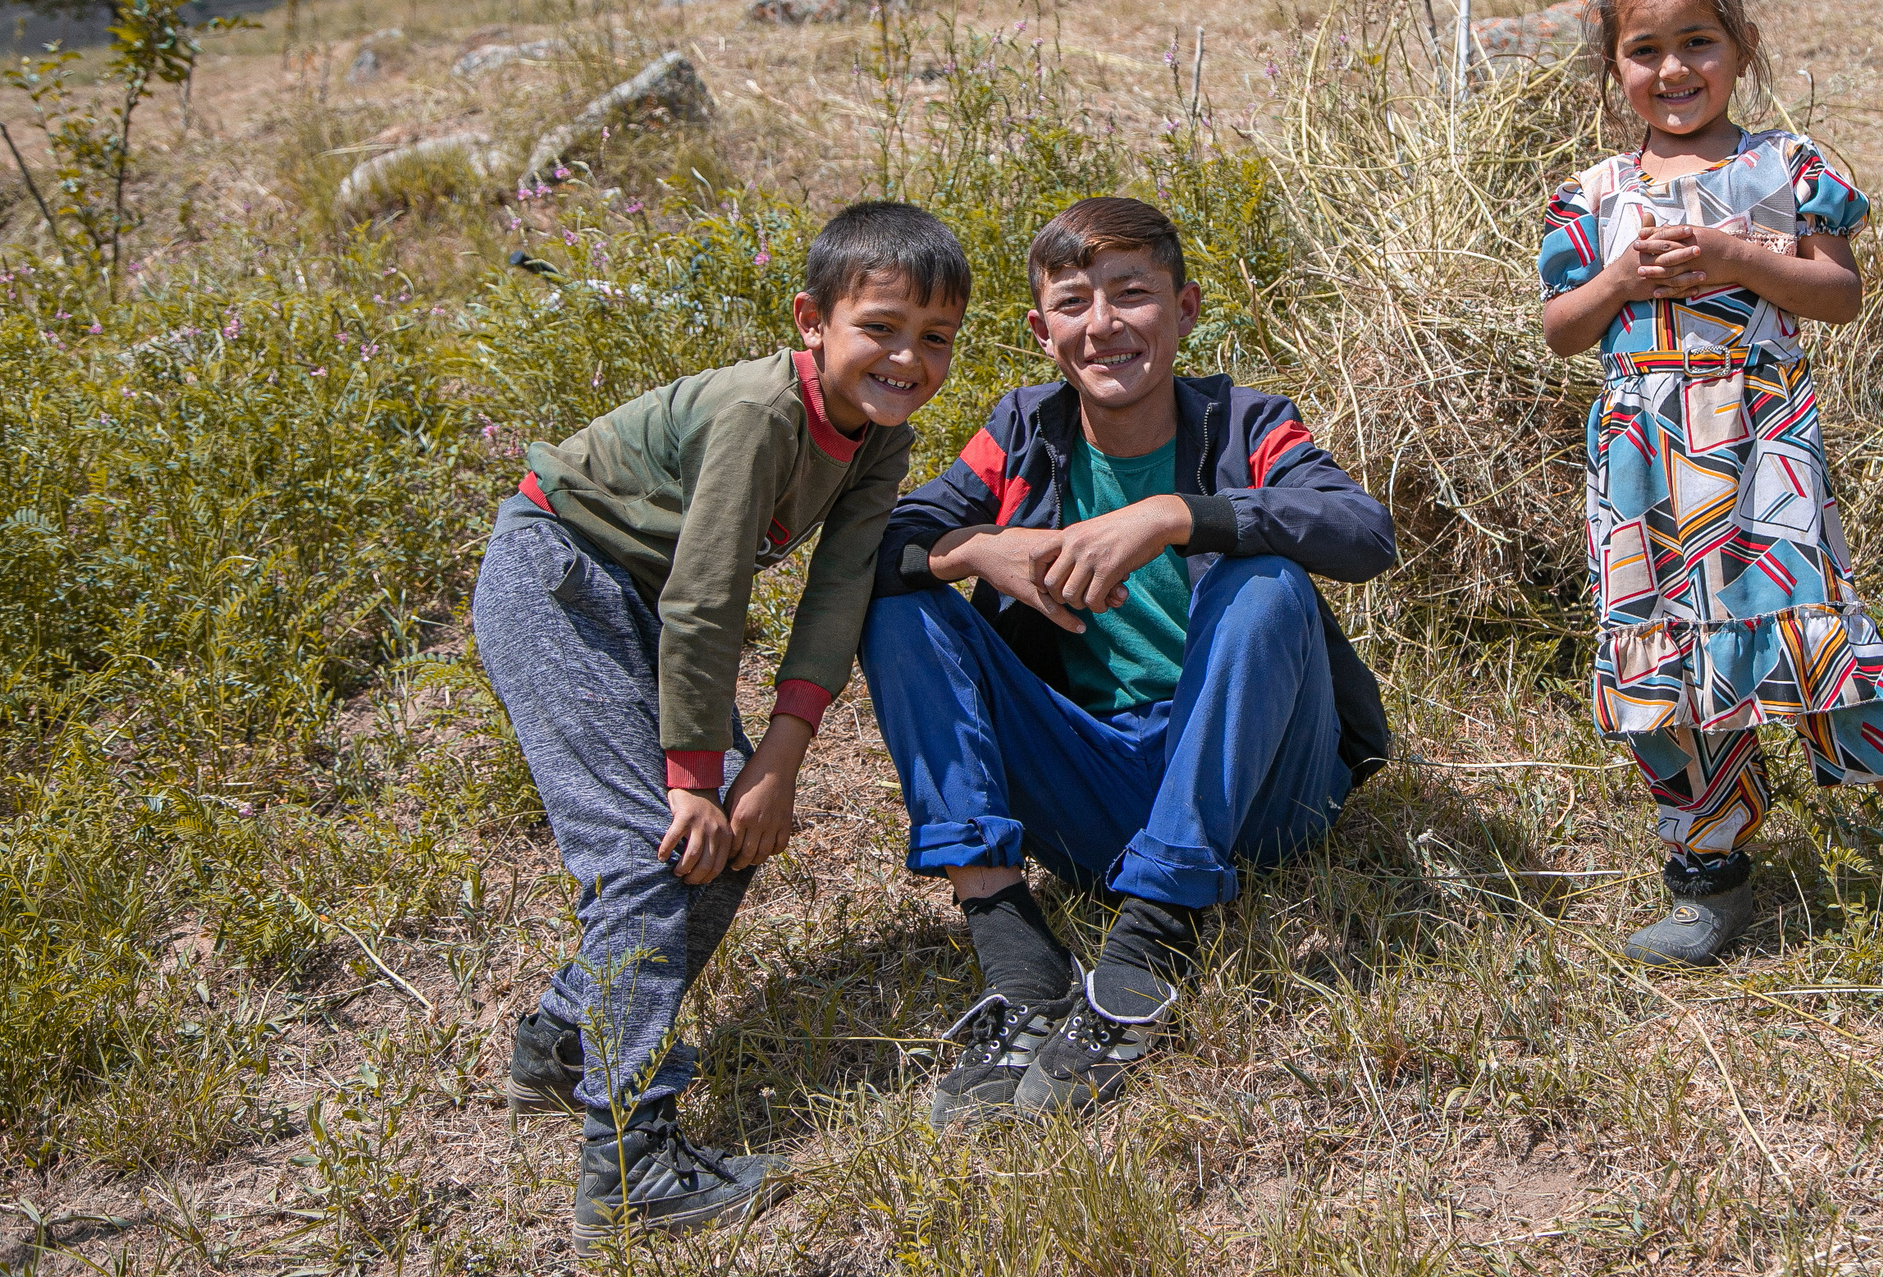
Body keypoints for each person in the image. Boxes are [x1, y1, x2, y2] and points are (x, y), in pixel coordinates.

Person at [472, 202, 968, 1248]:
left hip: (637, 606)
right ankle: (629, 1163)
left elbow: (838, 593)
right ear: (811, 320)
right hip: (561, 577)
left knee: (728, 838)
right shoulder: (760, 411)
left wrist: (775, 763)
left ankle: (567, 1038)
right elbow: (706, 597)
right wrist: (691, 775)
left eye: (935, 338)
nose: (906, 358)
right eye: (880, 326)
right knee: (657, 850)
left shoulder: (880, 439)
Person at [859, 195, 1396, 1126]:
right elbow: (882, 544)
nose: (1103, 325)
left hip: (1257, 792)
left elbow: (1361, 530)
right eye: (1074, 303)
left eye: (1131, 294)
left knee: (1266, 578)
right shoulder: (1026, 432)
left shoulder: (1243, 423)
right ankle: (1017, 954)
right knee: (900, 609)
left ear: (1184, 309)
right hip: (1092, 791)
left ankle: (1150, 940)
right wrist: (975, 549)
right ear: (1041, 329)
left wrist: (1178, 514)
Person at [1536, 0, 1883, 966]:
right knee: (1661, 661)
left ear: (1743, 48)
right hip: (1643, 465)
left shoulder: (1789, 169)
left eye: (1698, 42)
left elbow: (1837, 296)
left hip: (1763, 447)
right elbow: (1562, 328)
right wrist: (1623, 278)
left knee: (1815, 628)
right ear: (1611, 68)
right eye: (1644, 49)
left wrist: (1733, 257)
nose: (1673, 70)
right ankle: (1708, 874)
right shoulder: (1589, 197)